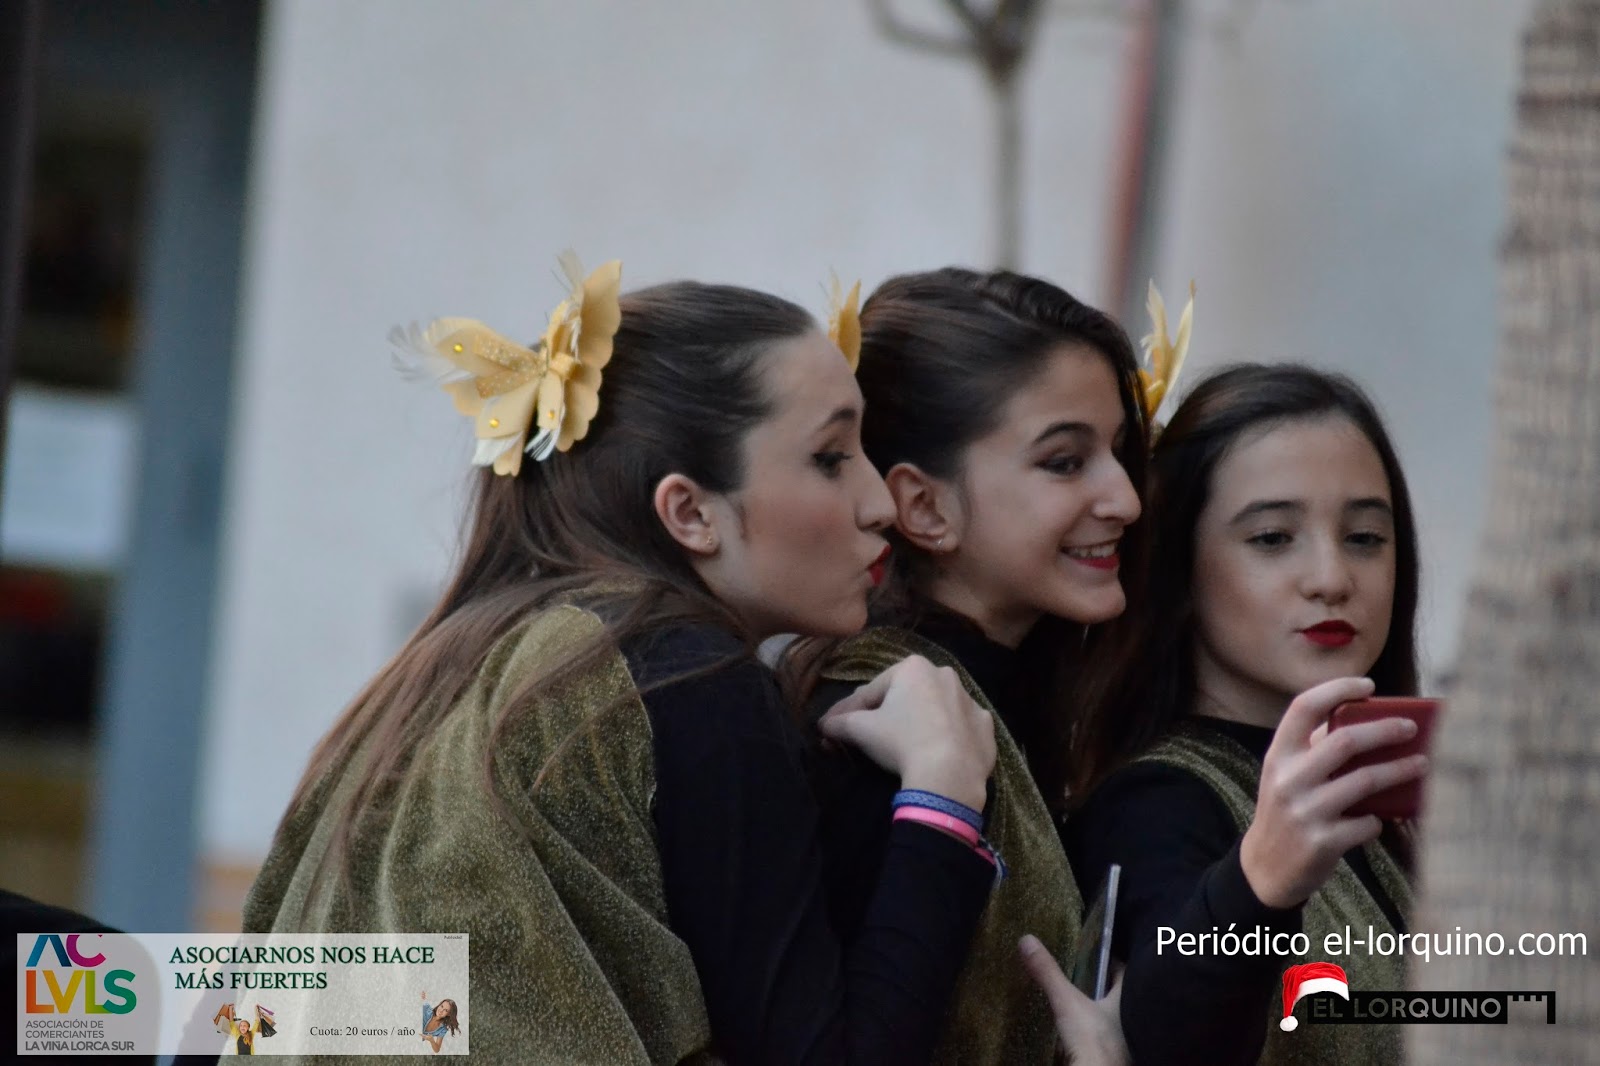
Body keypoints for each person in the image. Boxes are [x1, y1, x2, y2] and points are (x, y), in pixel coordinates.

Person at [243, 262, 999, 1065]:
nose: (880, 503)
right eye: (830, 457)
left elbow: (243, 1011)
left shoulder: (442, 668)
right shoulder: (688, 680)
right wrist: (943, 797)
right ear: (690, 511)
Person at [789, 267, 1150, 1064]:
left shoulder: (1019, 696)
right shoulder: (878, 723)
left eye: (1120, 452)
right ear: (924, 507)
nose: (1125, 498)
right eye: (1065, 461)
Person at [1066, 363, 1427, 1065]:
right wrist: (1260, 882)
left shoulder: (1388, 799)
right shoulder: (1157, 803)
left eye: (1363, 538)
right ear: (1177, 568)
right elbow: (1172, 1039)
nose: (1331, 578)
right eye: (1271, 538)